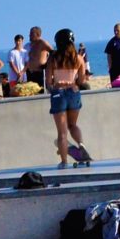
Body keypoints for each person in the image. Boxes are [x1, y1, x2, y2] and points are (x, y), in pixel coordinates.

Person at [46, 28, 92, 166]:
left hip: (59, 93)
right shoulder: (78, 58)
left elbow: (48, 81)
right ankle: (81, 144)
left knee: (62, 132)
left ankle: (64, 161)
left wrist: (54, 87)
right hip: (73, 91)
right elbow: (82, 80)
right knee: (73, 125)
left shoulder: (53, 58)